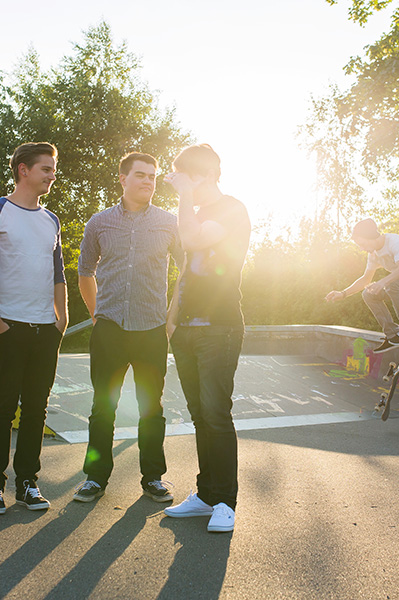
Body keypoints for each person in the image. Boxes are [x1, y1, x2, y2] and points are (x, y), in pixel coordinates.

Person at [72, 152, 182, 504]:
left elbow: (187, 271)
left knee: (152, 408)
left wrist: (172, 316)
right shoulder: (99, 223)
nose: (148, 181)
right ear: (123, 179)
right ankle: (94, 478)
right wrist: (96, 313)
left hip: (152, 329)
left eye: (152, 176)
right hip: (110, 329)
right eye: (140, 175)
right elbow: (84, 270)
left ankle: (153, 478)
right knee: (103, 407)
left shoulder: (169, 223)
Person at [0, 142, 68, 515]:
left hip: (46, 329)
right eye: (46, 168)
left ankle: (28, 483)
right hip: (8, 327)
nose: (52, 175)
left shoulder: (51, 220)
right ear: (23, 170)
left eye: (53, 168)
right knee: (1, 409)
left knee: (36, 411)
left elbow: (58, 271)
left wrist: (61, 317)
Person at [162, 144, 250, 534]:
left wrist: (182, 196)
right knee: (200, 415)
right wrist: (172, 319)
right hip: (188, 331)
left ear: (205, 175)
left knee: (216, 414)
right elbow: (186, 270)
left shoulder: (231, 209)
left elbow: (194, 241)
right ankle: (206, 495)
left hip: (220, 327)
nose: (183, 187)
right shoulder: (193, 213)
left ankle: (226, 502)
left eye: (186, 178)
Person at [325, 218, 399, 352]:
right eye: (359, 246)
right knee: (368, 294)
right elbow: (365, 279)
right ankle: (393, 334)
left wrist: (382, 282)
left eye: (362, 244)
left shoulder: (396, 243)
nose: (362, 248)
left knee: (392, 284)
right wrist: (343, 293)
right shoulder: (374, 254)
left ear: (371, 236)